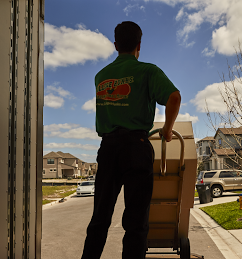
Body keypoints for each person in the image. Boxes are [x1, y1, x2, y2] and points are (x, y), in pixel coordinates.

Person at [81, 21, 181, 259]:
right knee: (136, 223)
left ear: (115, 45)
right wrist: (167, 130)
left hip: (108, 149)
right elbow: (174, 97)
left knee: (100, 218)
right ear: (139, 45)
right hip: (137, 148)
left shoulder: (101, 76)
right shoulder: (147, 71)